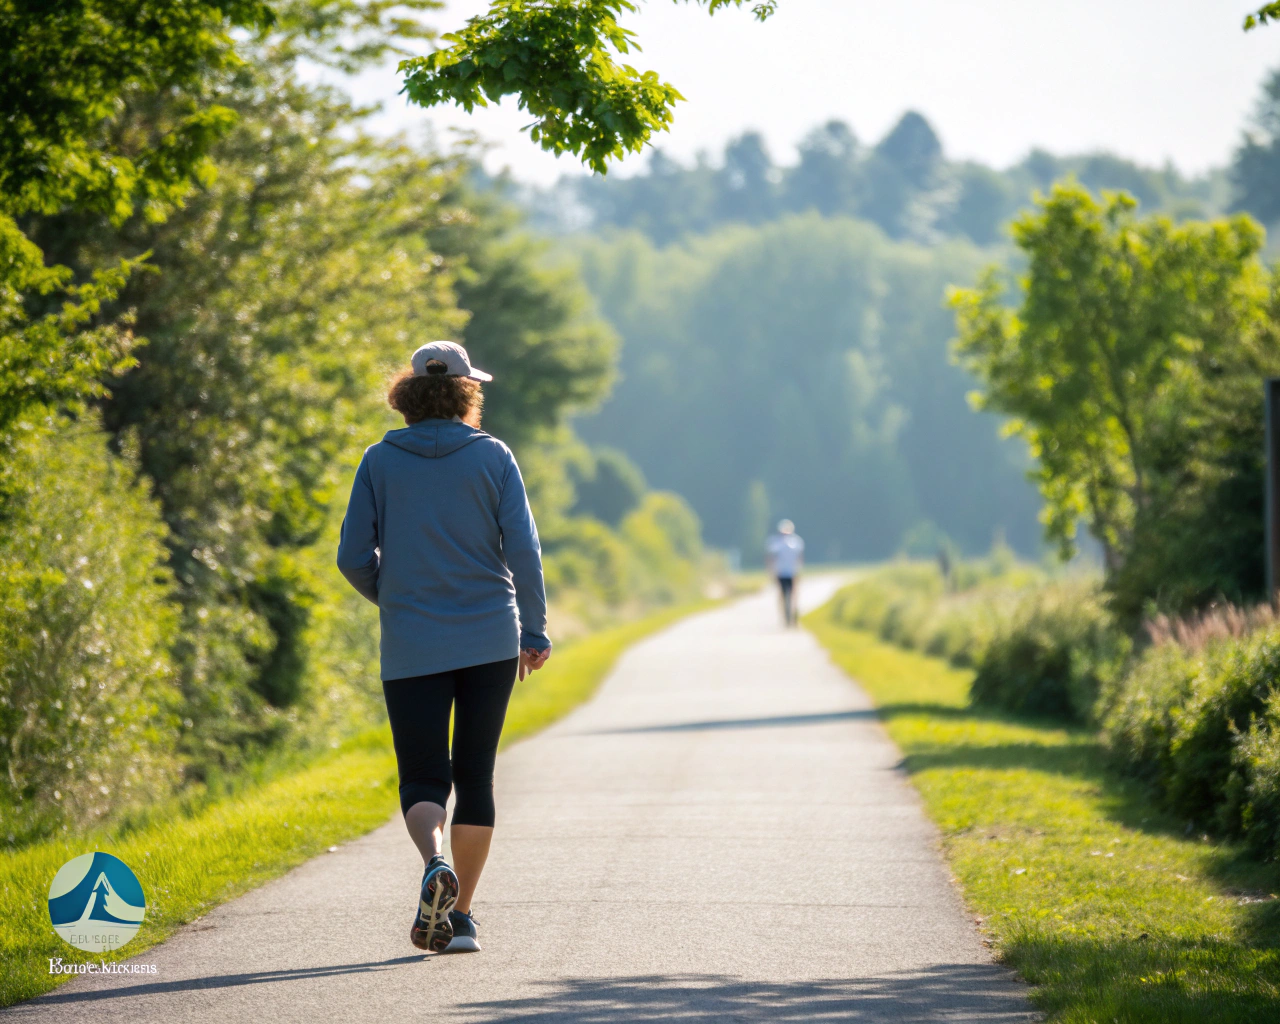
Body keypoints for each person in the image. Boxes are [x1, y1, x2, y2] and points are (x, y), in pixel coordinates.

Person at [336, 340, 552, 955]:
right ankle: (461, 918)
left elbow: (352, 557)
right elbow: (524, 551)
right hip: (489, 636)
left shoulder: (379, 460)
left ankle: (434, 862)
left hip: (412, 642)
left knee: (425, 776)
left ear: (408, 394)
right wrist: (533, 632)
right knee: (475, 774)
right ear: (466, 393)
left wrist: (398, 599)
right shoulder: (494, 457)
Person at [765, 519, 805, 626]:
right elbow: (771, 558)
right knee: (784, 595)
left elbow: (799, 558)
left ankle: (793, 612)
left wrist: (799, 570)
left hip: (791, 572)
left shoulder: (795, 542)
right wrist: (771, 571)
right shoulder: (778, 542)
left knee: (792, 594)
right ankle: (787, 615)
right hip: (782, 572)